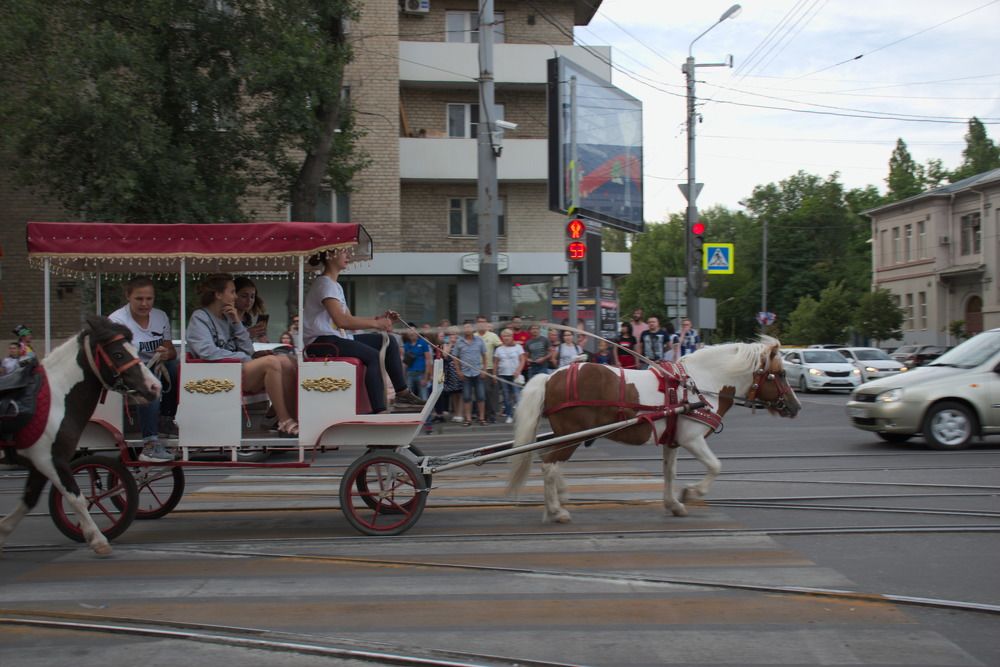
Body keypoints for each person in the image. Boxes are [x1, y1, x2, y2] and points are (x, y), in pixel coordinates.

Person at [302, 248, 424, 414]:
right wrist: (377, 324)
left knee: (387, 342)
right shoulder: (325, 284)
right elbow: (342, 321)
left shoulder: (334, 285)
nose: (349, 256)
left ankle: (402, 393)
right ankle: (379, 410)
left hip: (335, 338)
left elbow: (348, 320)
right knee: (373, 355)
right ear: (330, 256)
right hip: (322, 342)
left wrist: (378, 320)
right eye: (344, 252)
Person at [187, 273, 300, 436]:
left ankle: (287, 417)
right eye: (232, 292)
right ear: (218, 295)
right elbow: (207, 352)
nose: (234, 297)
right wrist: (243, 358)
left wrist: (236, 321)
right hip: (215, 373)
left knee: (287, 361)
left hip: (234, 369)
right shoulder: (200, 317)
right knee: (271, 362)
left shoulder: (228, 317)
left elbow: (248, 349)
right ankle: (284, 420)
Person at [108, 276, 179, 462]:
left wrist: (166, 353)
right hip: (128, 371)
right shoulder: (117, 321)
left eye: (149, 298)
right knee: (148, 383)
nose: (145, 303)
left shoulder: (160, 316)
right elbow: (116, 357)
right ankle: (149, 443)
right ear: (128, 296)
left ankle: (166, 419)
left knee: (175, 366)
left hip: (155, 366)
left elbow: (171, 351)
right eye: (139, 299)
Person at [454, 321, 487, 426]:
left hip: (478, 372)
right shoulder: (459, 342)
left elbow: (484, 356)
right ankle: (468, 419)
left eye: (469, 327)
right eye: (465, 327)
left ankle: (481, 418)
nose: (467, 329)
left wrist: (484, 369)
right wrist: (458, 371)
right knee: (467, 397)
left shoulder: (479, 340)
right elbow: (455, 358)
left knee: (481, 396)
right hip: (465, 374)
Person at [494, 328, 525, 424]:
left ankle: (520, 416)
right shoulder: (499, 349)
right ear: (502, 337)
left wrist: (518, 370)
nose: (506, 338)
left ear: (512, 337)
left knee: (517, 396)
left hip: (515, 375)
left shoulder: (518, 347)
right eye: (504, 336)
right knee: (506, 397)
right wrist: (494, 375)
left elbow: (522, 360)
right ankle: (509, 415)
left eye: (508, 336)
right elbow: (496, 363)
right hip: (503, 375)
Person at [475, 315, 502, 423]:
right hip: (476, 369)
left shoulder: (493, 336)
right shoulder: (474, 336)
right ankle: (482, 415)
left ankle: (490, 414)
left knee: (487, 392)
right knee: (479, 394)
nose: (482, 324)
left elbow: (501, 348)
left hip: (489, 368)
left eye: (484, 322)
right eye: (480, 322)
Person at [234, 276, 269, 343]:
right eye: (244, 296)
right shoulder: (227, 318)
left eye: (252, 297)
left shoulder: (247, 318)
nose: (249, 300)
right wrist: (248, 334)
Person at [402, 325, 433, 400]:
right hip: (410, 374)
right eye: (409, 332)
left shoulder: (423, 343)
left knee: (424, 396)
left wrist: (426, 377)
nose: (411, 333)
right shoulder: (406, 345)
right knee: (409, 397)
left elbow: (428, 360)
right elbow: (405, 363)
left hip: (421, 374)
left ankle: (427, 411)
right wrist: (402, 378)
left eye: (413, 331)